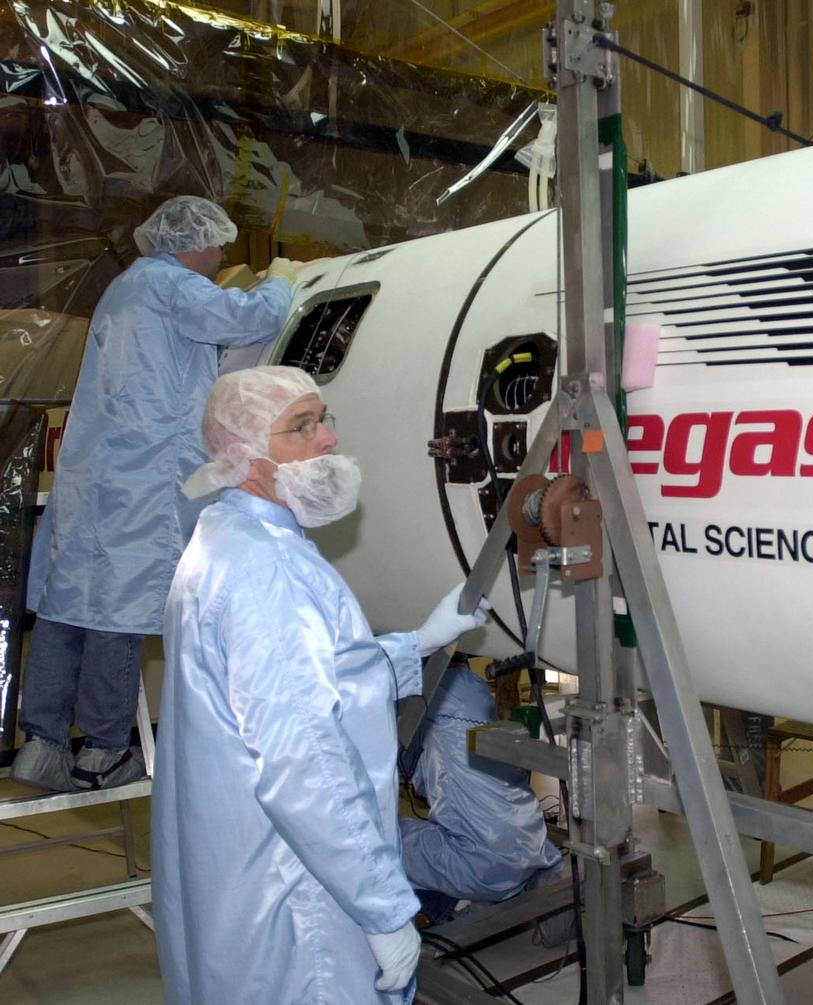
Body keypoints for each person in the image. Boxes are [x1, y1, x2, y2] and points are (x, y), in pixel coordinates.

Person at [152, 365, 490, 1004]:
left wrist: (419, 642)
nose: (328, 440)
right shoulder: (265, 568)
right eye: (300, 428)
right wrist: (385, 907)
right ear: (242, 456)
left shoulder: (232, 537)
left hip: (244, 868)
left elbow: (316, 681)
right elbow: (304, 757)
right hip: (296, 888)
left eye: (323, 418)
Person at [13, 195, 299, 792]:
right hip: (141, 479)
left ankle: (40, 746)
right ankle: (106, 750)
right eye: (218, 243)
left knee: (70, 606)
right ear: (189, 241)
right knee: (120, 610)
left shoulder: (124, 288)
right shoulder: (172, 287)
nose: (222, 253)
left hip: (97, 473)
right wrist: (281, 283)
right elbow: (248, 320)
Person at [399, 653, 563, 924]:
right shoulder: (475, 691)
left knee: (373, 842)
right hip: (533, 848)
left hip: (481, 864)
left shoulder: (419, 692)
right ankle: (512, 887)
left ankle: (454, 904)